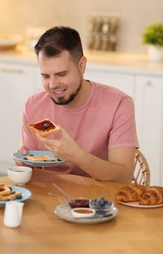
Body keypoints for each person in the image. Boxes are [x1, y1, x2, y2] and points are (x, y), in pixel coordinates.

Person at [17, 26, 138, 183]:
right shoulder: (33, 105)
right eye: (46, 76)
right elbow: (32, 167)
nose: (52, 85)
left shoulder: (119, 104)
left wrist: (76, 155)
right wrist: (24, 164)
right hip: (49, 196)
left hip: (100, 202)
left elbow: (123, 177)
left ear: (82, 65)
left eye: (62, 74)